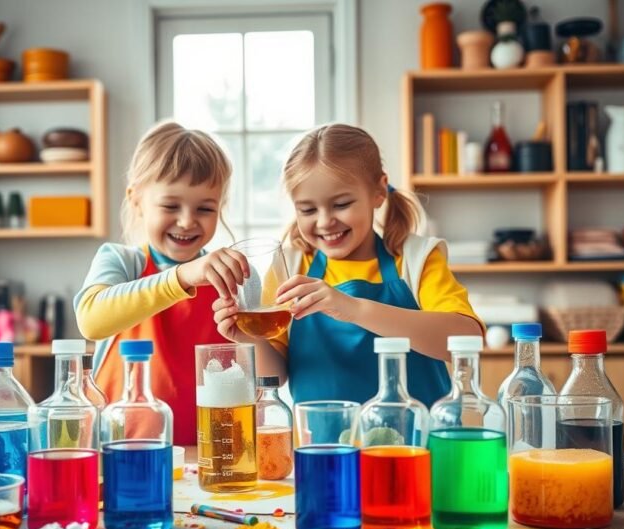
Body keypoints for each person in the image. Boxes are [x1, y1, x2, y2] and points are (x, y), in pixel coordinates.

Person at [214, 123, 483, 406]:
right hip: (323, 447)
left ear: (378, 192)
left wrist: (352, 308)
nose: (324, 221)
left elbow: (467, 341)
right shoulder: (291, 266)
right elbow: (276, 376)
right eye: (307, 209)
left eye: (341, 204)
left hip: (414, 445)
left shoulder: (416, 259)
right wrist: (247, 338)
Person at [75, 121, 248, 444]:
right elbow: (90, 320)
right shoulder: (121, 261)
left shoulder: (231, 276)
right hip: (122, 453)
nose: (186, 220)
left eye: (205, 208)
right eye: (171, 206)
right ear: (137, 200)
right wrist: (183, 276)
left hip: (211, 458)